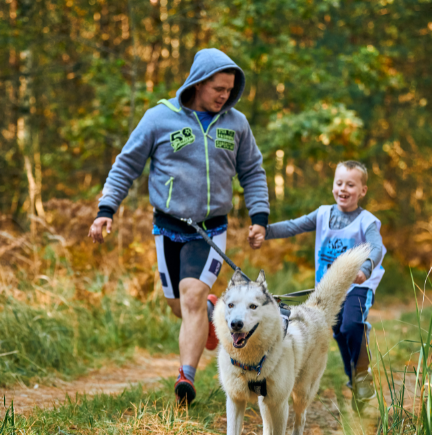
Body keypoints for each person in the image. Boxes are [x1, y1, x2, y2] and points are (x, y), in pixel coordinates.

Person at [89, 49, 270, 405]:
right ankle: (212, 312)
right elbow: (126, 165)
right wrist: (106, 209)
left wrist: (259, 217)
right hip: (168, 227)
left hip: (210, 229)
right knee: (178, 305)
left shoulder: (236, 124)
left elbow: (252, 171)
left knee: (191, 296)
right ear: (198, 83)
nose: (225, 96)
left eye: (230, 90)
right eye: (218, 88)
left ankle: (186, 377)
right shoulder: (159, 118)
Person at [255, 160, 385, 409]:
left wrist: (365, 268)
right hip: (328, 290)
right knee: (338, 333)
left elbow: (376, 247)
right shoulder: (323, 214)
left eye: (350, 185)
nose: (343, 189)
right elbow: (293, 226)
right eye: (339, 183)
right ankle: (354, 380)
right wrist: (265, 232)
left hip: (358, 285)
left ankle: (362, 373)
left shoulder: (366, 221)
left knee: (350, 325)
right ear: (333, 185)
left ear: (363, 191)